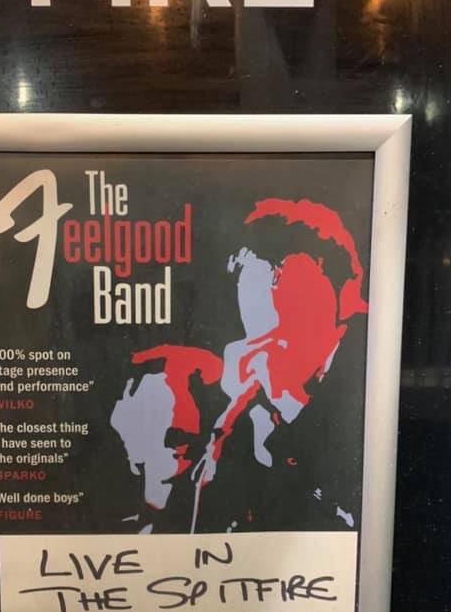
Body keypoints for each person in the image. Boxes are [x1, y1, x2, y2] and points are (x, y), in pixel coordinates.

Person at [111, 197, 368, 534]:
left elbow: (347, 512)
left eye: (278, 281)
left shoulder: (355, 380)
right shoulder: (249, 404)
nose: (256, 353)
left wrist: (285, 401)